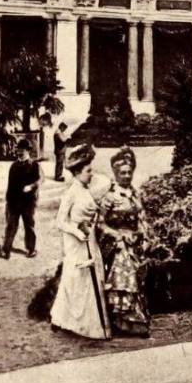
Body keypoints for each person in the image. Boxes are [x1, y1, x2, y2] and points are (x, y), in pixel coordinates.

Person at [50, 144, 111, 339]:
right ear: (77, 173)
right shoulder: (71, 193)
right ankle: (64, 319)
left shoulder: (88, 189)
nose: (91, 174)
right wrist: (76, 232)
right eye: (87, 171)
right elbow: (60, 221)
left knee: (93, 278)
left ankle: (93, 324)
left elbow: (106, 181)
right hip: (76, 241)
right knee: (74, 279)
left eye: (91, 170)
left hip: (89, 239)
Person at [97, 147, 150, 336]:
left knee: (137, 277)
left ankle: (135, 317)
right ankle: (124, 320)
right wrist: (117, 236)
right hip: (117, 245)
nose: (127, 176)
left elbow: (142, 218)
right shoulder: (110, 197)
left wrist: (146, 237)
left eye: (129, 172)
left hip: (135, 242)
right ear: (115, 174)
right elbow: (100, 224)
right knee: (124, 274)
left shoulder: (135, 195)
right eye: (123, 173)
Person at [0, 137, 41, 259]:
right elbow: (10, 185)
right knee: (11, 227)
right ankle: (6, 250)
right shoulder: (13, 166)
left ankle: (31, 249)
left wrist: (31, 186)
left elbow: (37, 181)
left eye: (23, 150)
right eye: (19, 150)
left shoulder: (34, 165)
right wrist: (8, 201)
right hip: (14, 202)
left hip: (28, 202)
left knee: (29, 226)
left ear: (28, 151)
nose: (20, 152)